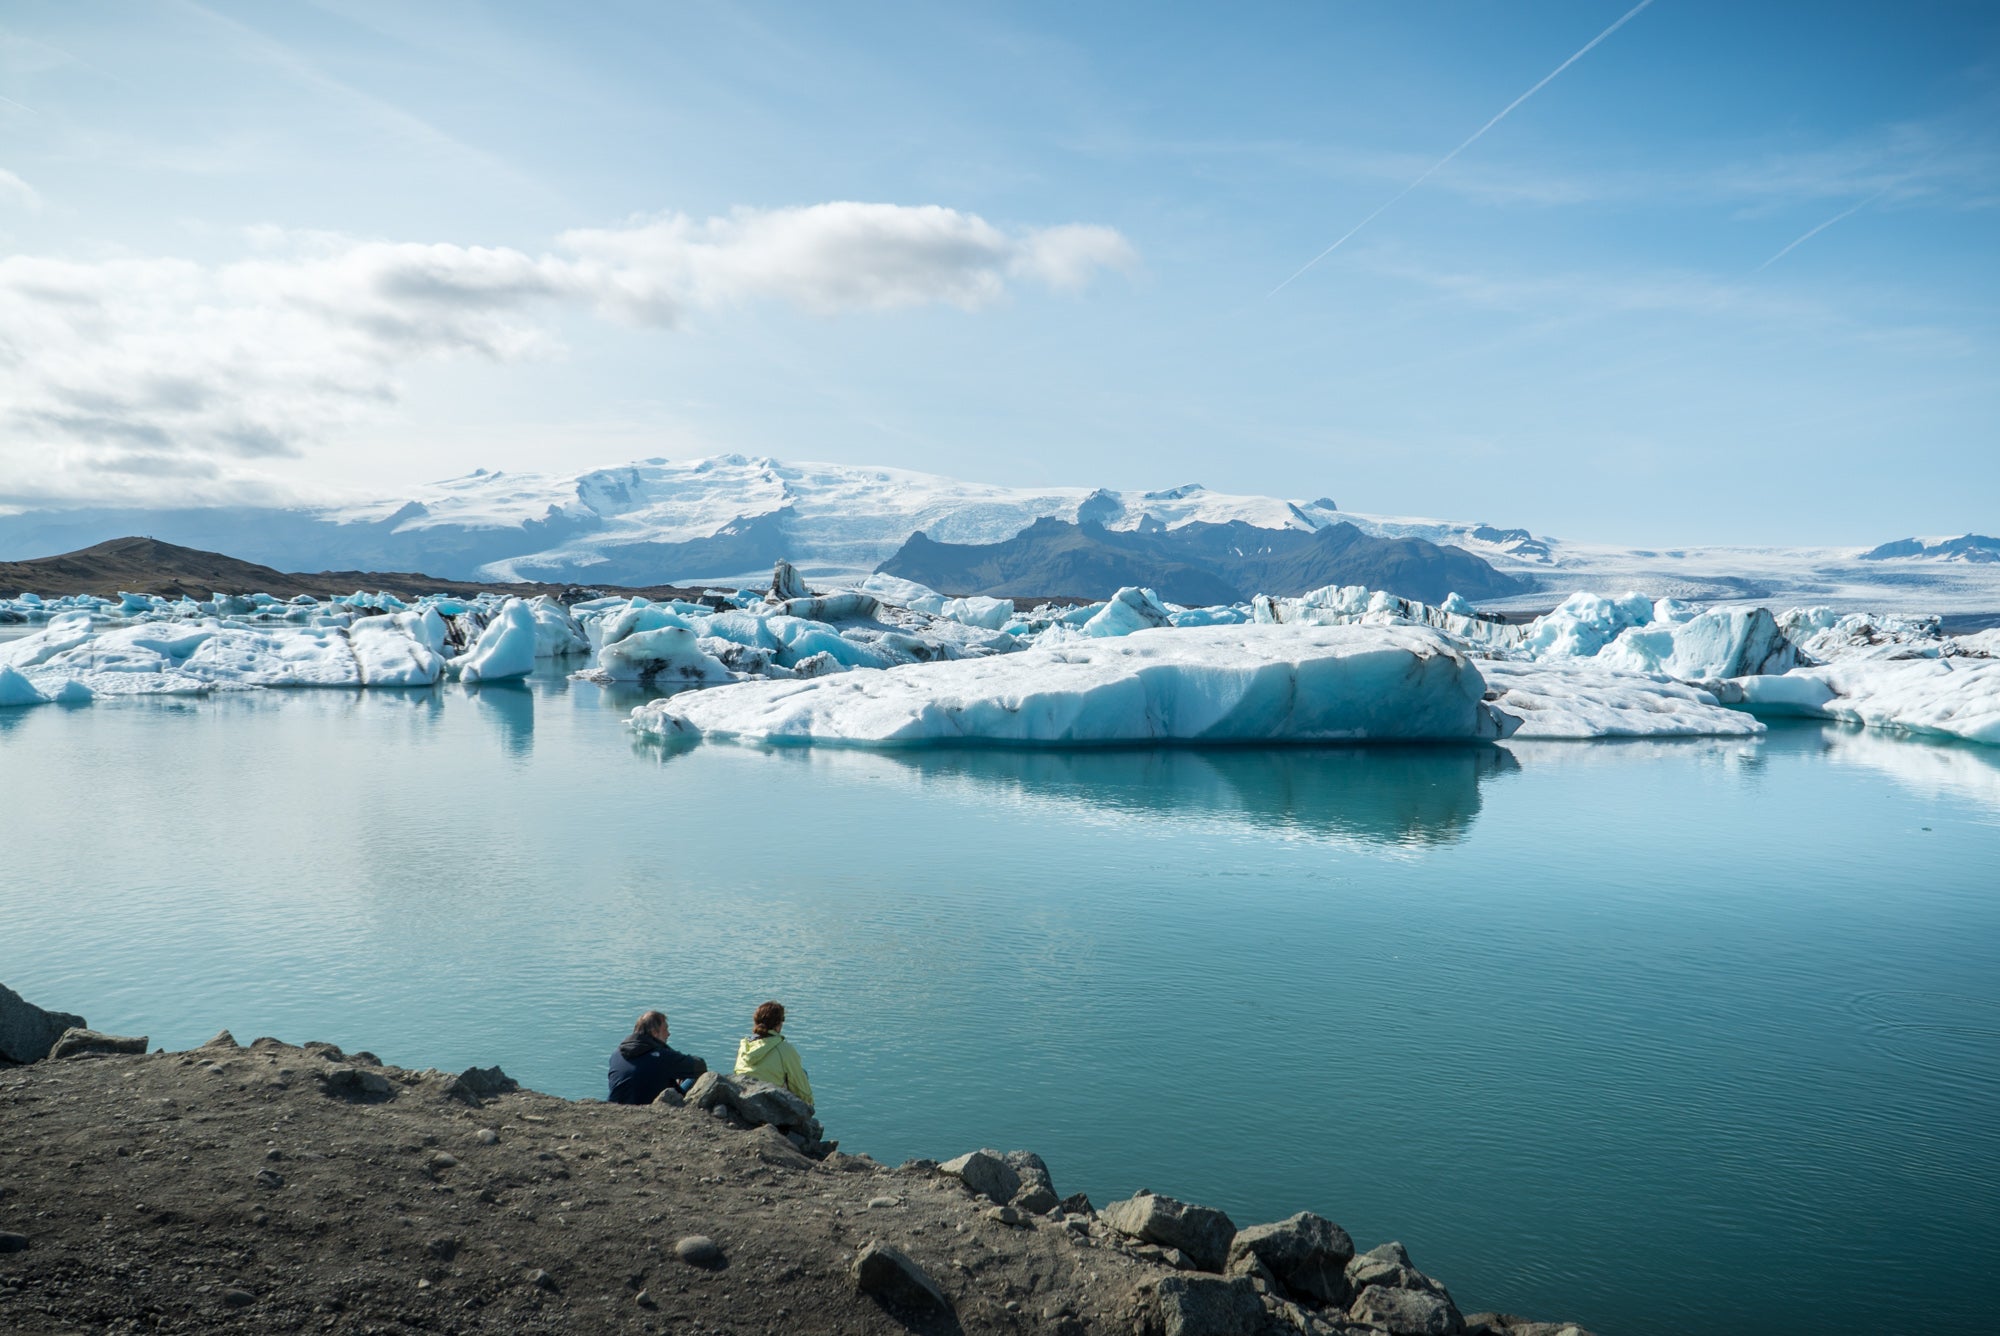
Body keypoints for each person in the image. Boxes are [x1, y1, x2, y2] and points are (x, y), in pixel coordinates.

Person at [606, 1009, 707, 1105]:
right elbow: (700, 1066)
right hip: (648, 1109)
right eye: (665, 1029)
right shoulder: (663, 1056)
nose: (668, 1034)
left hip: (615, 1107)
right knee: (694, 1077)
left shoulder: (616, 1054)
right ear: (654, 1033)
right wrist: (667, 1050)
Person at [734, 1000, 813, 1106]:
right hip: (770, 1102)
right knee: (802, 1073)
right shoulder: (784, 1049)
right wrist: (808, 1105)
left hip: (742, 1098)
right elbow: (800, 1087)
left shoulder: (745, 1046)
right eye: (782, 1020)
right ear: (778, 1025)